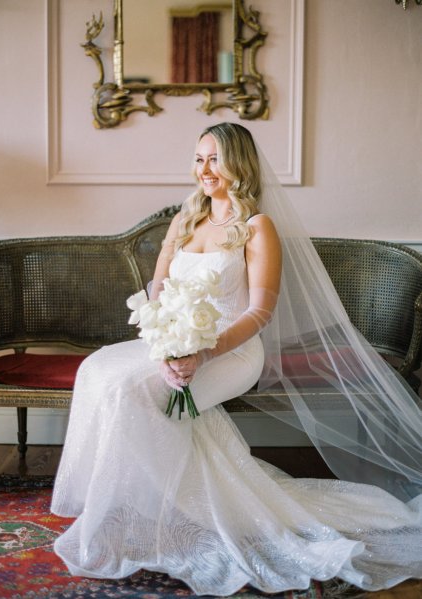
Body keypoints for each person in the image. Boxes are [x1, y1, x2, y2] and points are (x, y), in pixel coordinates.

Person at [51, 122, 422, 596]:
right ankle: (130, 505)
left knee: (133, 393)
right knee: (99, 370)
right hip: (175, 342)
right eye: (200, 159)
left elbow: (259, 311)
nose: (205, 170)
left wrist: (202, 352)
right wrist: (165, 338)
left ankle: (169, 517)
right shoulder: (186, 218)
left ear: (239, 165)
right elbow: (157, 289)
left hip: (232, 351)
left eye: (216, 159)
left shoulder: (256, 226)